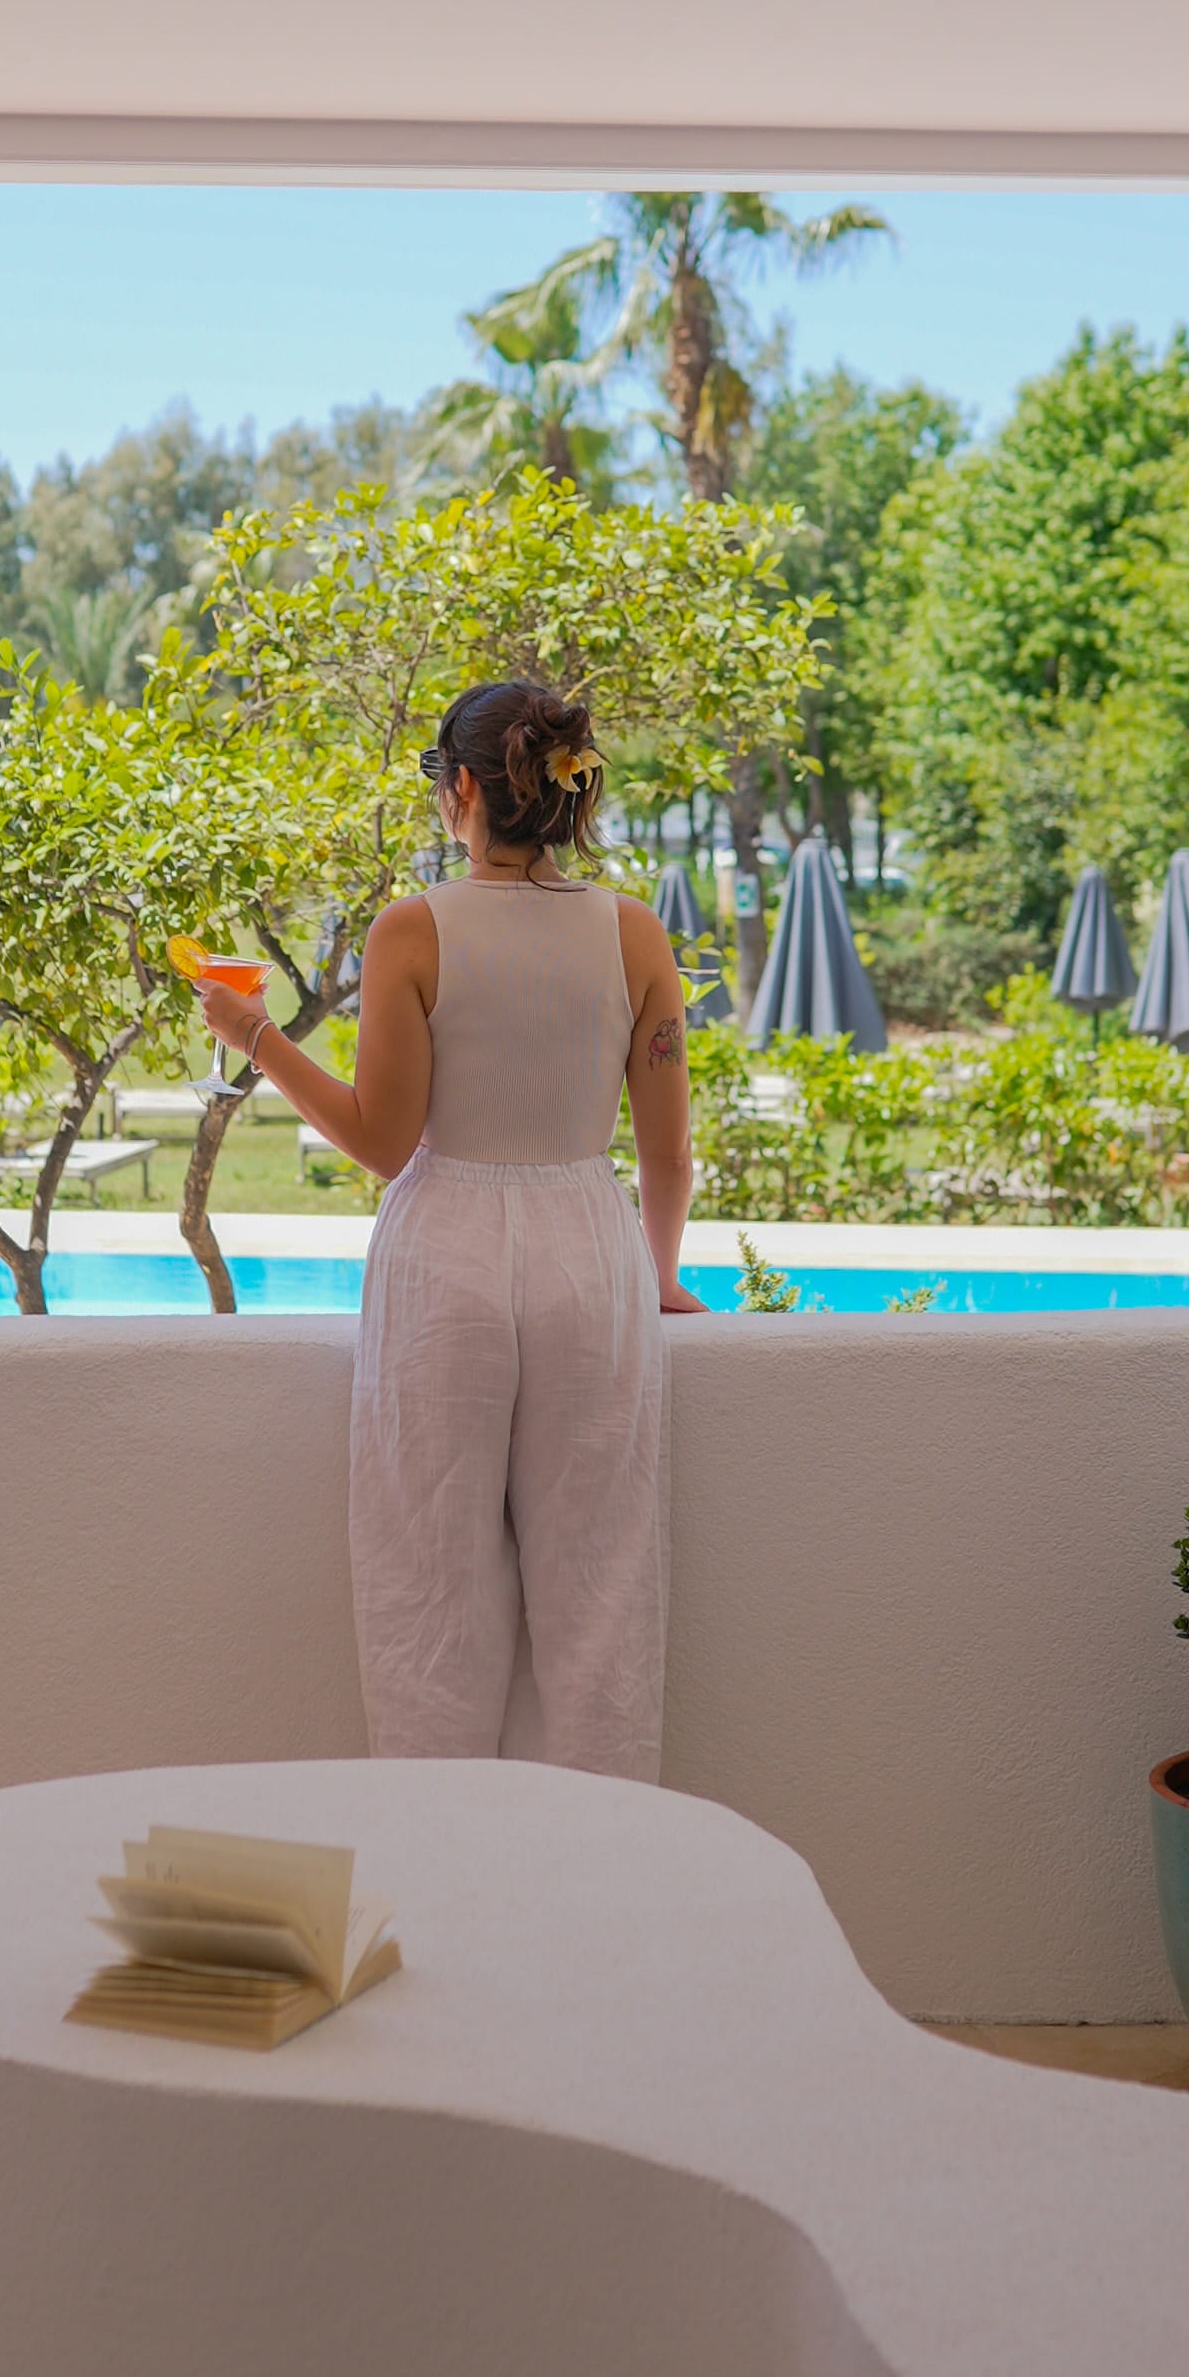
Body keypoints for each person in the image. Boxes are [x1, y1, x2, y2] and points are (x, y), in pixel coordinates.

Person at [194, 678, 700, 1784]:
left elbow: (382, 1140)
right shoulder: (633, 933)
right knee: (601, 1587)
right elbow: (666, 1152)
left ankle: (438, 1851)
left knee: (430, 1586)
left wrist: (256, 1036)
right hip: (590, 1255)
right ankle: (603, 1858)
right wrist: (657, 1275)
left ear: (462, 787)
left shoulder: (412, 931)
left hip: (446, 1263)